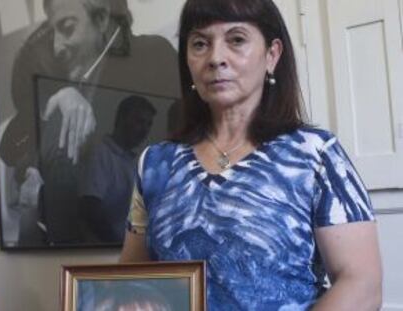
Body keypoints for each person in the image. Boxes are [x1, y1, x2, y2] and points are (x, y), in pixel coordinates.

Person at [120, 0, 383, 310]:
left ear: (272, 55)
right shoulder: (155, 164)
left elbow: (362, 284)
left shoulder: (314, 155)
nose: (216, 58)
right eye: (200, 43)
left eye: (236, 39)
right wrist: (133, 299)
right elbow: (131, 276)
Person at [0, 0, 180, 245]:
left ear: (103, 19)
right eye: (55, 31)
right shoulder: (58, 67)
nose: (56, 46)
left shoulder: (152, 55)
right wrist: (55, 95)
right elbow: (11, 146)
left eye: (67, 27)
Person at [79, 95, 156, 243]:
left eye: (149, 124)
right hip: (106, 253)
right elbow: (90, 210)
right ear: (121, 119)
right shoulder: (99, 154)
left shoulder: (135, 160)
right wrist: (117, 245)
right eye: (139, 121)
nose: (144, 130)